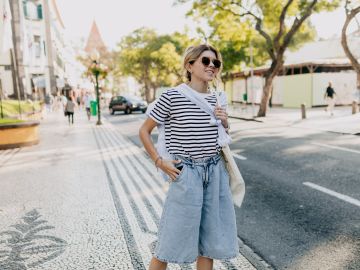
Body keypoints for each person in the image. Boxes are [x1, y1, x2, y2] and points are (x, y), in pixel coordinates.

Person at [139, 44, 238, 270]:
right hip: (188, 173)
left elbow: (221, 137)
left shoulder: (218, 98)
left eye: (216, 62)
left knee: (209, 241)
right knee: (170, 238)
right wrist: (159, 161)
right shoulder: (173, 96)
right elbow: (144, 131)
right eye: (205, 61)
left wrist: (225, 122)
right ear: (189, 65)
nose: (212, 66)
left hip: (214, 172)